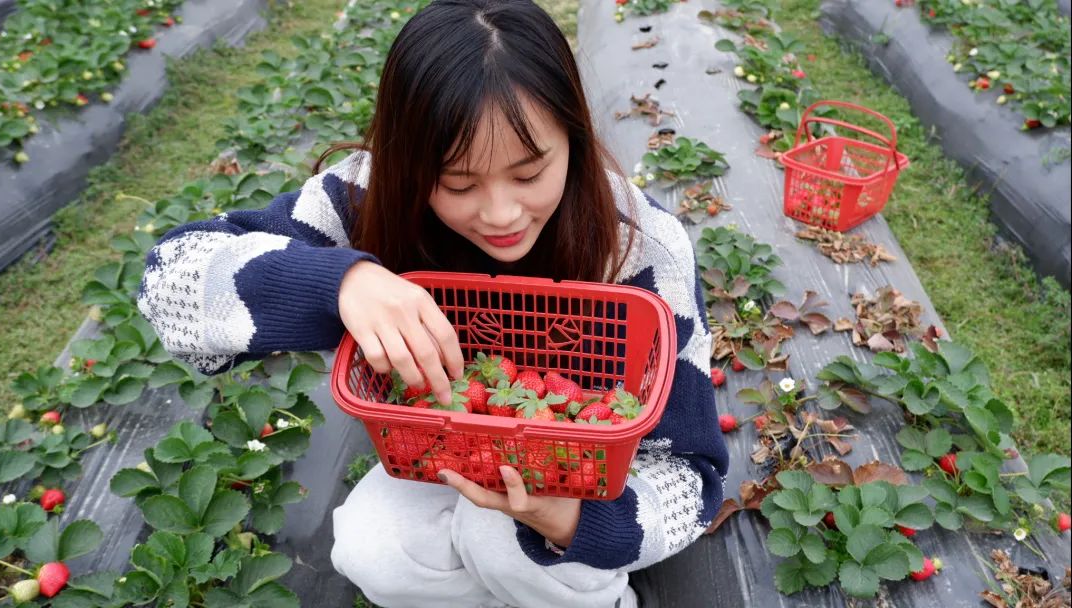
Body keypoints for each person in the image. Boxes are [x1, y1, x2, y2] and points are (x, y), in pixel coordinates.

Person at [137, 1, 728, 607]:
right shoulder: (367, 197)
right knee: (371, 546)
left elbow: (691, 475)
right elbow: (169, 282)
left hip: (583, 479)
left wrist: (574, 521)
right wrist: (338, 282)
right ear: (408, 159)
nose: (500, 214)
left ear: (573, 139)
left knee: (501, 540)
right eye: (458, 184)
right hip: (444, 457)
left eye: (529, 175)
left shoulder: (641, 250)